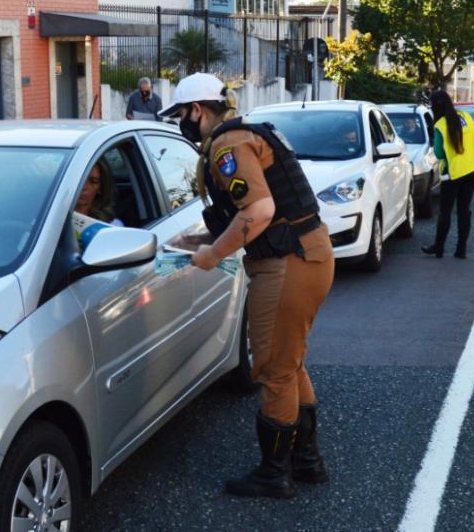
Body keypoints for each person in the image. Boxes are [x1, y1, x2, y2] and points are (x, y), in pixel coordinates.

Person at [158, 73, 334, 499]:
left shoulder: (227, 145)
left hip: (286, 263)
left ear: (197, 110)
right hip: (307, 254)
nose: (182, 123)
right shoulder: (248, 132)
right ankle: (306, 461)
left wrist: (213, 255)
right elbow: (256, 214)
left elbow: (259, 210)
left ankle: (274, 474)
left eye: (181, 114)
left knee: (273, 369)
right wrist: (200, 243)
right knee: (290, 363)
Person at [421, 90, 474, 259]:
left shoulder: (440, 125)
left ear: (435, 107)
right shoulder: (466, 117)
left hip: (452, 172)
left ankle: (439, 247)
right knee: (464, 210)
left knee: (445, 211)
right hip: (472, 169)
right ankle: (461, 249)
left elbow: (439, 153)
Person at [75, 159, 120, 225]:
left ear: (100, 188)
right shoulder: (58, 214)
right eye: (80, 179)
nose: (84, 187)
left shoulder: (111, 225)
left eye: (93, 181)